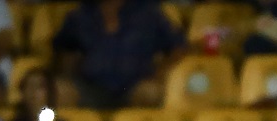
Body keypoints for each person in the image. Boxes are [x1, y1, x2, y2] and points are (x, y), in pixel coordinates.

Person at [52, 0, 184, 109]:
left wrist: (160, 73)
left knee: (151, 93)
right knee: (60, 91)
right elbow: (64, 49)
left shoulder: (149, 13)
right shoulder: (79, 15)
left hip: (135, 87)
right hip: (89, 86)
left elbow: (178, 47)